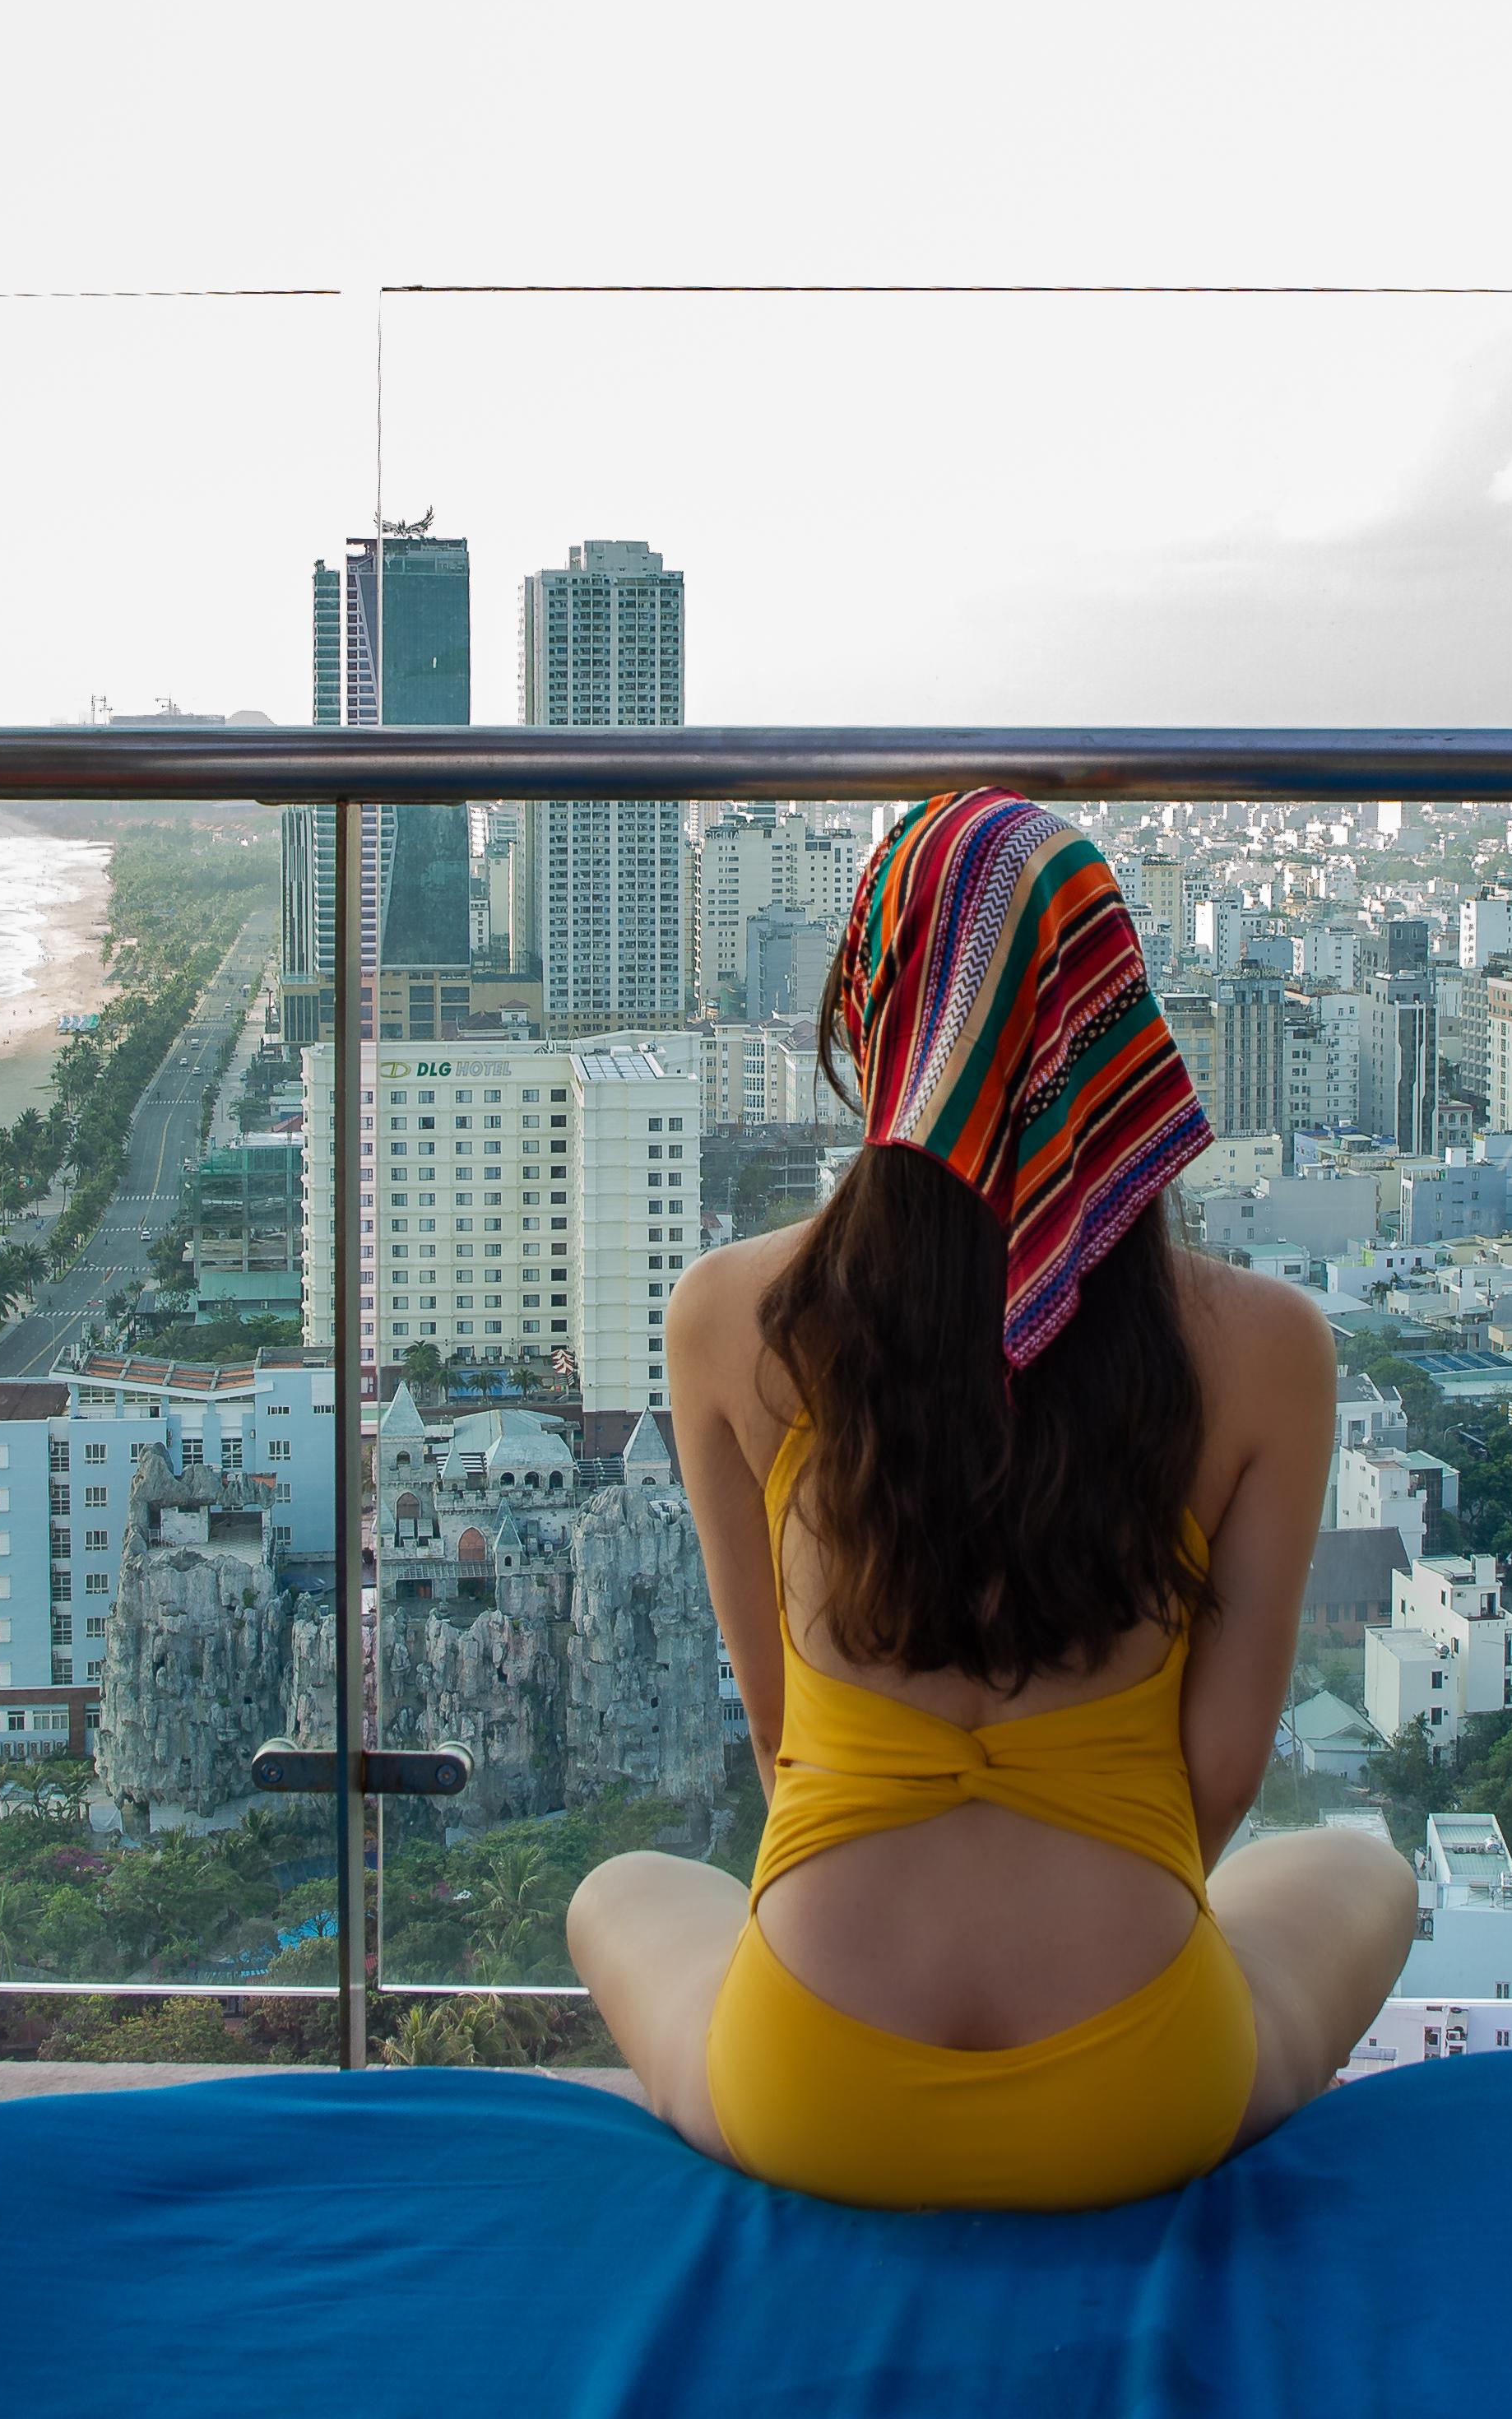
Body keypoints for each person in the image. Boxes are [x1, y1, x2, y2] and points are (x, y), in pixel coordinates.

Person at [568, 788, 1416, 2212]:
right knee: (1365, 1873)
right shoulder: (1265, 1350)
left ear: (877, 1023)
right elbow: (1218, 1783)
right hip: (1137, 2087)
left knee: (619, 1895)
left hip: (815, 2085)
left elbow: (781, 1750)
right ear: (1117, 1033)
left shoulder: (731, 1320)